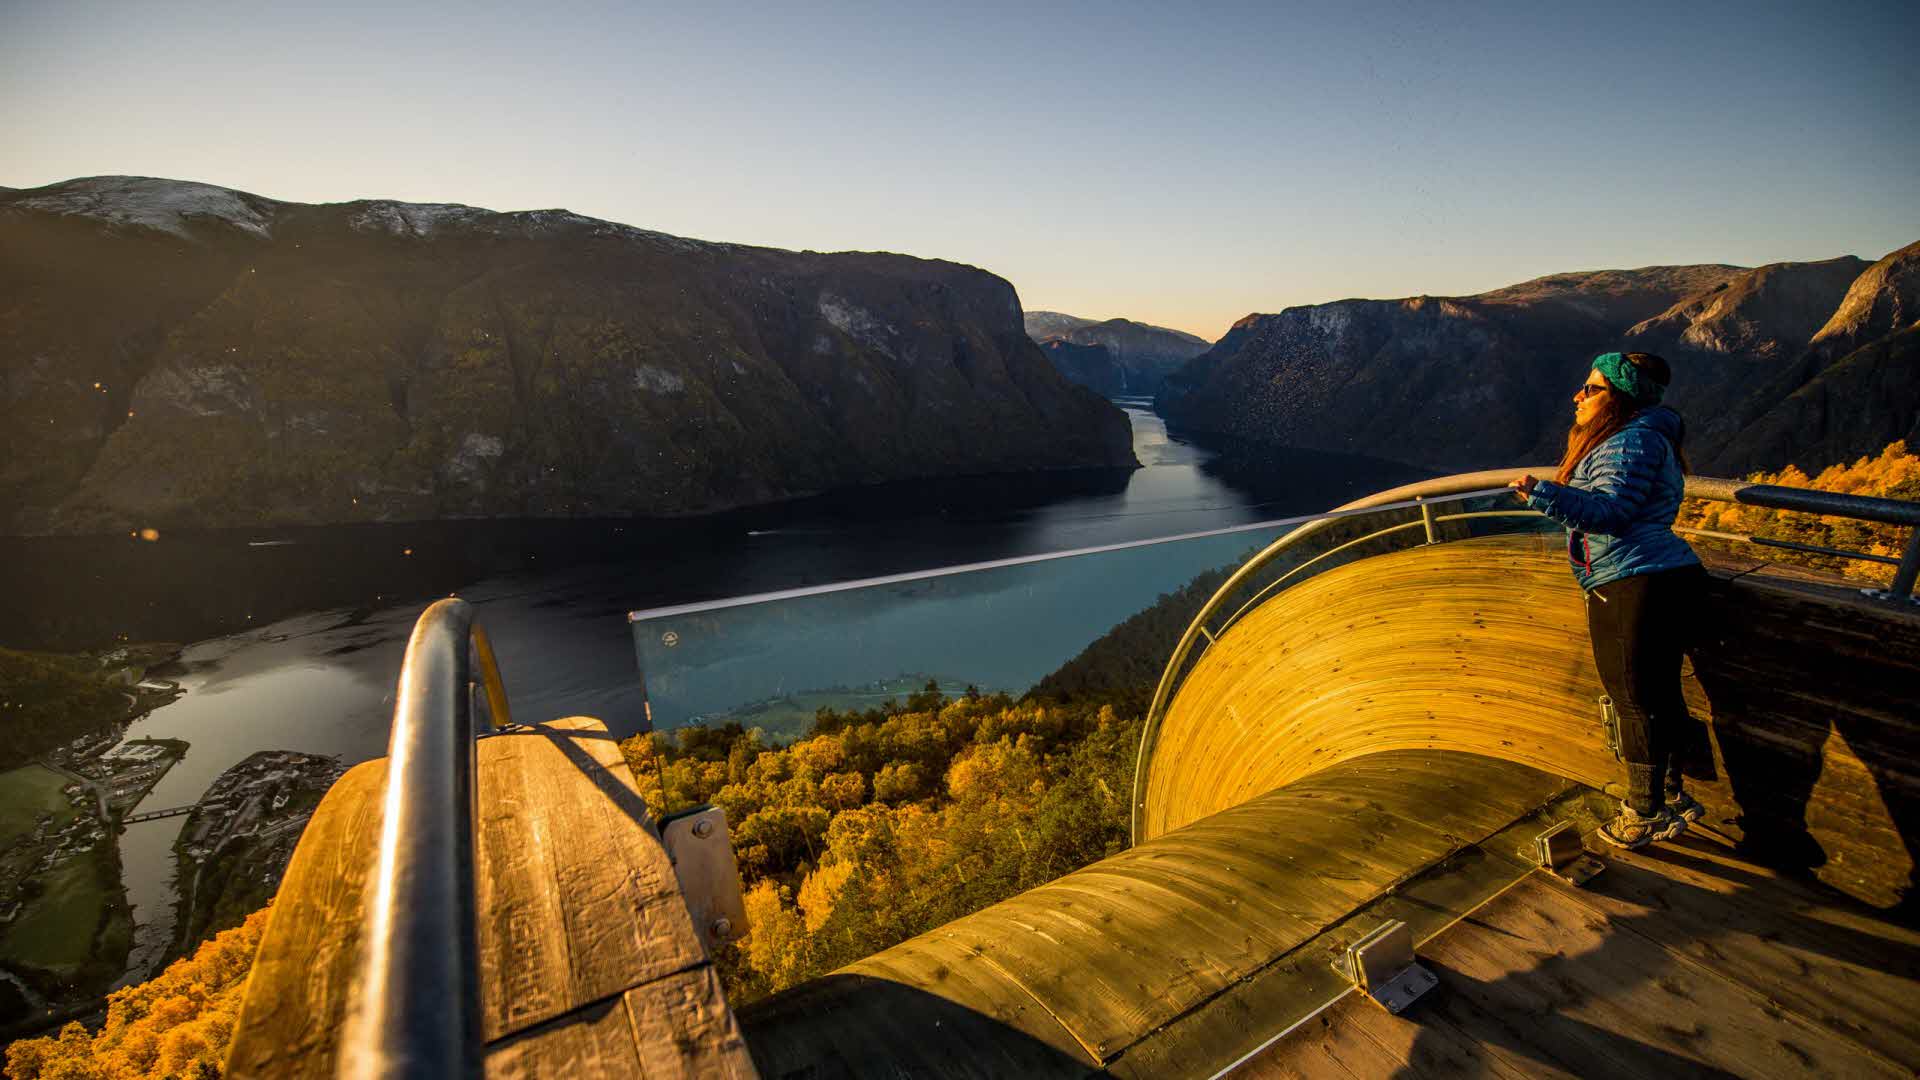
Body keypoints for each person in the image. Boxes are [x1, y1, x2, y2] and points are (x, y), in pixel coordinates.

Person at [1509, 351, 1711, 849]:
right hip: (1654, 576)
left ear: (1620, 398)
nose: (1578, 397)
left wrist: (1543, 494)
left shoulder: (1632, 440)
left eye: (1592, 389)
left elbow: (1612, 511)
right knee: (1657, 694)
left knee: (1633, 699)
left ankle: (1643, 813)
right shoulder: (1638, 436)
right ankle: (1668, 796)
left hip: (1633, 580)